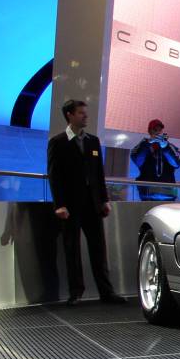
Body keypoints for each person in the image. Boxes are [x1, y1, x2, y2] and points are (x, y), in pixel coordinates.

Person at [47, 99, 126, 306]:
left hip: (93, 204)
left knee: (99, 249)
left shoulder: (93, 141)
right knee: (72, 249)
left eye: (85, 112)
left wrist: (104, 199)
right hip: (70, 206)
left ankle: (106, 292)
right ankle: (76, 292)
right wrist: (59, 204)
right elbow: (54, 176)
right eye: (81, 113)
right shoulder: (58, 142)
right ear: (70, 115)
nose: (85, 116)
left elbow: (99, 173)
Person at [130, 119, 180, 201]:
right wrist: (148, 144)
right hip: (147, 195)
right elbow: (137, 160)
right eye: (155, 130)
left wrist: (165, 147)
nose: (158, 132)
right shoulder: (143, 145)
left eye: (160, 130)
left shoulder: (169, 146)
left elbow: (178, 163)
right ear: (149, 131)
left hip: (168, 195)